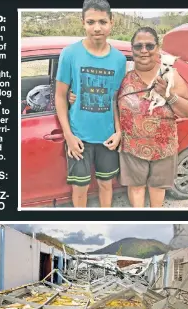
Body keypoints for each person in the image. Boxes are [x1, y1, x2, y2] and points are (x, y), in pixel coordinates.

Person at [55, 0, 126, 208]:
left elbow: (115, 100)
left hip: (107, 140)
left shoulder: (119, 60)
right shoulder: (70, 54)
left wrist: (119, 132)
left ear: (112, 23)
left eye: (103, 22)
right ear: (83, 23)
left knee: (106, 185)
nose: (97, 27)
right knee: (80, 190)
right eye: (91, 21)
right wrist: (68, 136)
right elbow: (60, 96)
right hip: (79, 139)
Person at [117, 27, 188, 207]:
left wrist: (167, 95)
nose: (144, 51)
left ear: (158, 49)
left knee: (157, 189)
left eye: (149, 46)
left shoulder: (171, 76)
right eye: (138, 46)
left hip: (163, 148)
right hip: (132, 147)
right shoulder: (123, 75)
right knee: (135, 187)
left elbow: (187, 111)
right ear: (132, 49)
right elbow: (110, 100)